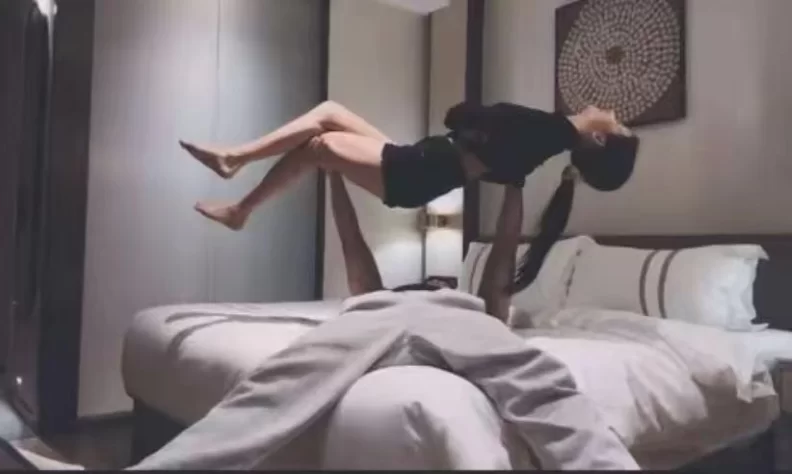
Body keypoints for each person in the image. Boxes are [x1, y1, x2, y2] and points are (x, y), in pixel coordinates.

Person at [124, 174, 639, 471]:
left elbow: (505, 253)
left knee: (539, 383)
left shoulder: (469, 301)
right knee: (278, 384)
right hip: (380, 314)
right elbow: (352, 243)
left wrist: (515, 182)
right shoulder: (382, 295)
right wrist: (333, 177)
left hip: (452, 319)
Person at [182, 101, 638, 234]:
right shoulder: (548, 138)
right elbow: (479, 136)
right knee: (330, 112)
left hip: (417, 172)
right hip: (422, 160)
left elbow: (463, 116)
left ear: (600, 138)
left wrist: (470, 127)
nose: (612, 112)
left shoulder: (548, 133)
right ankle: (234, 162)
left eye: (618, 123)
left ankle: (239, 202)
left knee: (321, 144)